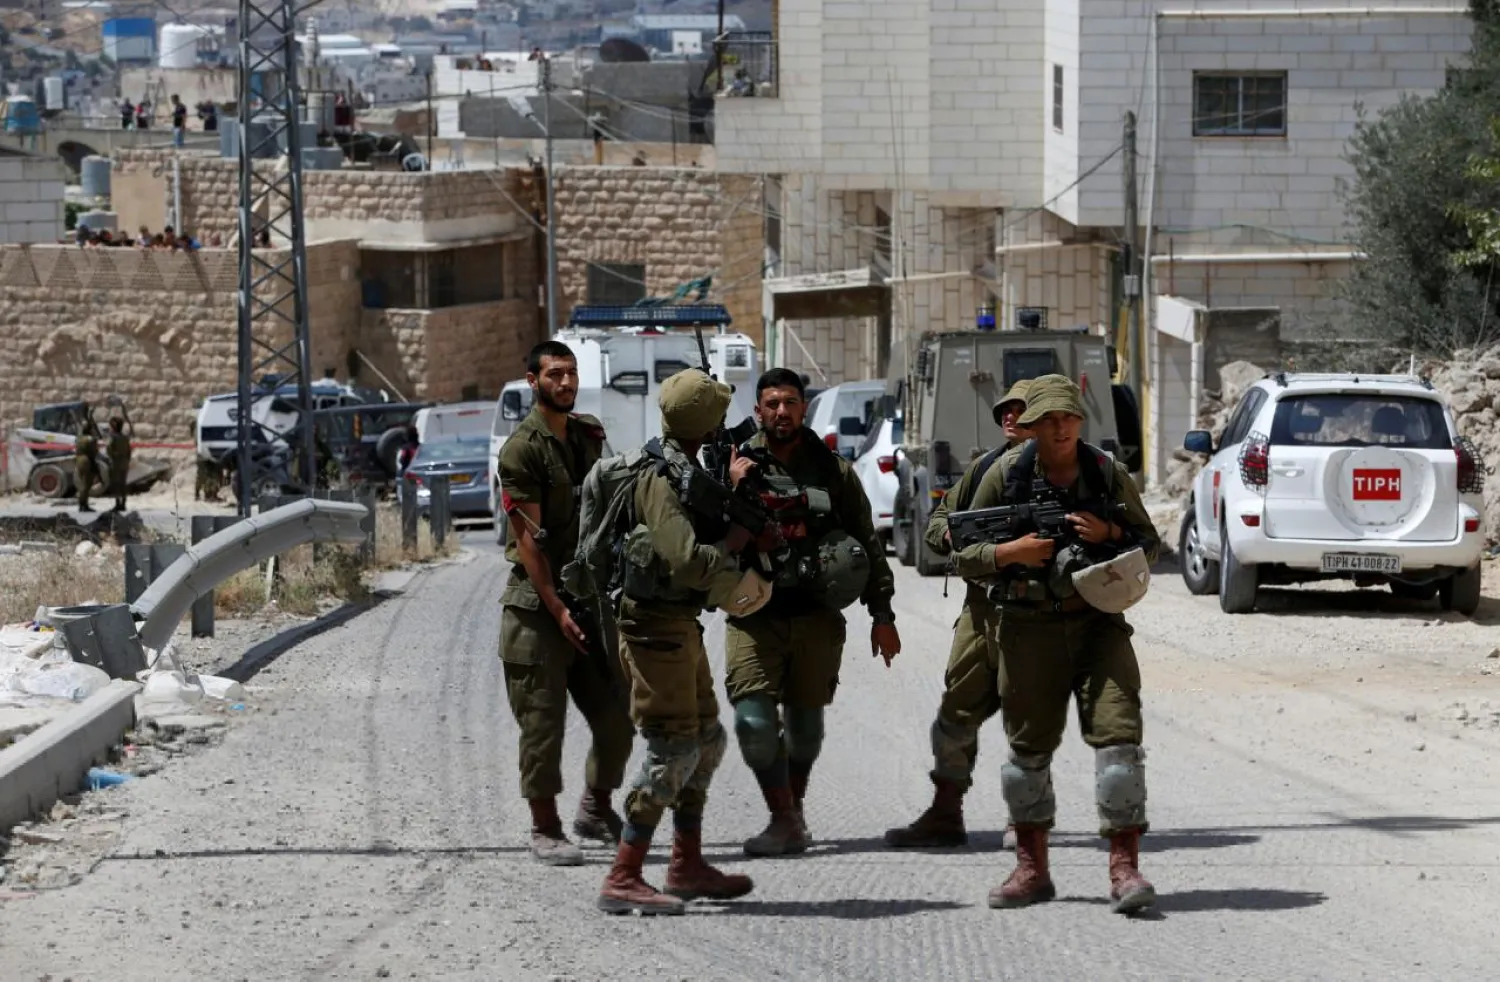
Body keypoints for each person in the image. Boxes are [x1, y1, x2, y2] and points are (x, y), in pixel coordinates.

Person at [951, 374, 1161, 914]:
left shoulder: (1107, 473)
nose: (1061, 427)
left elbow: (1150, 544)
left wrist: (1108, 535)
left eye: (1068, 417)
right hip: (1026, 631)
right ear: (1032, 426)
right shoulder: (1003, 476)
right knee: (1026, 756)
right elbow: (958, 551)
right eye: (1048, 419)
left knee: (1119, 750)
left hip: (1098, 625)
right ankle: (1031, 868)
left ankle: (1124, 868)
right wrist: (1010, 553)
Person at [597, 368, 769, 916]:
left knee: (707, 740)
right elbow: (688, 560)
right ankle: (624, 875)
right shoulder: (659, 479)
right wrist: (737, 538)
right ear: (703, 420)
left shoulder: (685, 465)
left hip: (677, 625)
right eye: (717, 413)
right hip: (653, 629)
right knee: (675, 746)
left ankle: (685, 865)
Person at [724, 368, 900, 857]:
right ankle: (782, 818)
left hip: (816, 614)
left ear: (804, 407)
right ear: (758, 411)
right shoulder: (734, 464)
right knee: (754, 724)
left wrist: (881, 615)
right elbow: (706, 536)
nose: (782, 412)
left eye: (791, 403)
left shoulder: (833, 471)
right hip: (754, 613)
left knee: (805, 729)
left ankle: (792, 813)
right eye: (772, 404)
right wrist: (733, 487)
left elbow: (867, 542)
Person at [497, 340, 636, 866]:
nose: (566, 383)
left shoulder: (588, 435)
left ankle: (595, 808)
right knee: (542, 720)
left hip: (588, 599)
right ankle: (545, 826)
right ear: (532, 381)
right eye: (555, 374)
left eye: (572, 373)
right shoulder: (522, 450)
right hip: (537, 606)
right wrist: (557, 608)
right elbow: (528, 540)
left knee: (619, 714)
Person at [885, 379, 1033, 849]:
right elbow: (938, 522)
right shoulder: (983, 467)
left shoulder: (1064, 470)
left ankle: (1023, 820)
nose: (1009, 417)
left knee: (1025, 717)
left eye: (1020, 409)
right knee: (956, 710)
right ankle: (946, 811)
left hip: (1033, 613)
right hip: (981, 608)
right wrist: (951, 537)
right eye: (1004, 410)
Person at [106, 415, 133, 512]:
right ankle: (123, 503)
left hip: (116, 463)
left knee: (116, 484)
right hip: (124, 462)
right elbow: (129, 451)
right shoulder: (125, 438)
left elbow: (109, 449)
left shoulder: (112, 437)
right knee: (123, 484)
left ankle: (118, 503)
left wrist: (112, 457)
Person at [74, 420, 101, 513]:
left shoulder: (78, 438)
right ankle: (83, 505)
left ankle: (82, 504)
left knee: (83, 483)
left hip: (78, 460)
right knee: (87, 484)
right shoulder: (91, 439)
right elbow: (95, 452)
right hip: (87, 460)